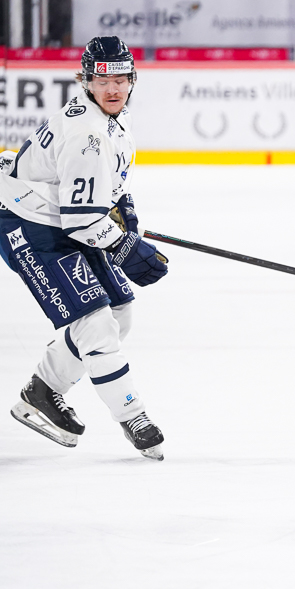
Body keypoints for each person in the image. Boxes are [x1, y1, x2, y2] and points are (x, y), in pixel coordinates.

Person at [0, 36, 169, 460]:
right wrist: (127, 248)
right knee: (94, 321)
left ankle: (42, 392)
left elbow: (107, 186)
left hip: (61, 213)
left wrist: (124, 211)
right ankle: (134, 415)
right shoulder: (86, 133)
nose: (113, 89)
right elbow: (81, 221)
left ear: (132, 79)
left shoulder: (115, 119)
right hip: (26, 219)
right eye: (102, 80)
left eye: (121, 79)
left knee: (118, 312)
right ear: (86, 81)